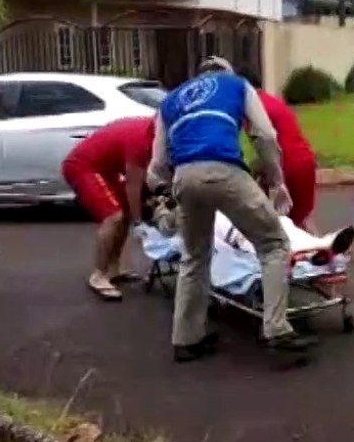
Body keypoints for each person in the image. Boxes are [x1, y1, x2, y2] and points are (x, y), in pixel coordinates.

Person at [149, 56, 314, 362]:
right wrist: (277, 181)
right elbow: (265, 135)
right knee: (274, 244)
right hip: (224, 169)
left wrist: (167, 193)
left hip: (184, 175)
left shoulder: (171, 101)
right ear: (227, 72)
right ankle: (277, 329)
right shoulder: (237, 85)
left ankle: (186, 339)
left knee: (194, 256)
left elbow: (157, 164)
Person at [61, 115, 157, 301]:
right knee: (114, 217)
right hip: (83, 166)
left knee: (126, 213)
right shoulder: (141, 139)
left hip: (107, 168)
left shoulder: (155, 131)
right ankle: (98, 275)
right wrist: (139, 222)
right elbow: (133, 184)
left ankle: (113, 269)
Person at [237, 67, 320, 232]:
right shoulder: (271, 100)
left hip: (287, 164)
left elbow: (267, 146)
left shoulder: (253, 108)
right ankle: (325, 246)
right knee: (302, 219)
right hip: (305, 160)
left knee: (282, 225)